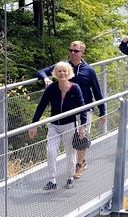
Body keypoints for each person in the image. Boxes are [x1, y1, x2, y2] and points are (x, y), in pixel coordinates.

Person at [38, 41, 106, 179]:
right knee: (71, 141)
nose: (73, 53)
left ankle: (79, 165)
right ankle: (79, 161)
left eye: (76, 51)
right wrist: (45, 78)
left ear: (82, 53)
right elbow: (41, 71)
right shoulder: (64, 67)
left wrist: (103, 111)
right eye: (71, 50)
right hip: (67, 110)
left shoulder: (89, 70)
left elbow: (97, 92)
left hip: (84, 109)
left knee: (81, 138)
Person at [29, 61, 86, 191]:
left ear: (69, 73)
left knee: (70, 153)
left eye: (64, 71)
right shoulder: (52, 88)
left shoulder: (75, 87)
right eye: (59, 71)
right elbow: (41, 106)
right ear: (55, 73)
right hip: (54, 125)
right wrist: (34, 125)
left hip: (69, 124)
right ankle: (52, 180)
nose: (62, 73)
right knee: (51, 151)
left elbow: (83, 107)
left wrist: (82, 126)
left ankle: (70, 178)